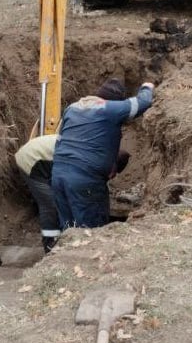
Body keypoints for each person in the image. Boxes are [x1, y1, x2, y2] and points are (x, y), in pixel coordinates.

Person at [51, 79, 155, 229]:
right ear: (116, 101)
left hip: (58, 175)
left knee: (68, 228)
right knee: (91, 231)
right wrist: (147, 86)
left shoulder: (73, 108)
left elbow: (59, 141)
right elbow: (143, 102)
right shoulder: (110, 109)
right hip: (84, 180)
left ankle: (66, 251)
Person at [14, 134, 61, 254]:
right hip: (30, 160)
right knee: (49, 204)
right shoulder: (78, 154)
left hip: (40, 157)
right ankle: (50, 245)